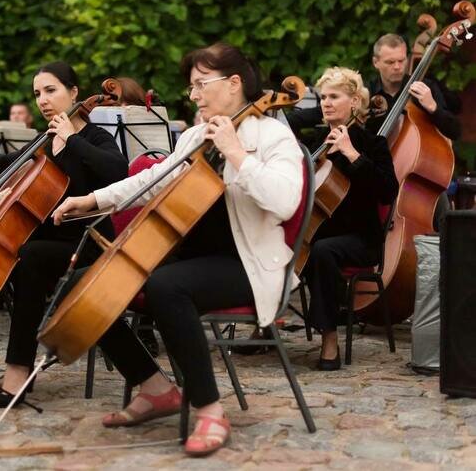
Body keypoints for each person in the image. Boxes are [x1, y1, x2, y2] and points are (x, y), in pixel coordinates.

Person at [52, 43, 304, 457]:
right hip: (192, 258)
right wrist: (93, 200)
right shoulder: (194, 134)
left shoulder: (273, 134)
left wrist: (236, 152)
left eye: (201, 85)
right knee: (86, 284)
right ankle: (154, 389)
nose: (194, 95)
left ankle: (210, 409)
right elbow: (150, 180)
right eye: (192, 87)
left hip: (248, 263)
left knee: (169, 287)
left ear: (234, 83)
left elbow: (285, 202)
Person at [0, 62, 128, 406]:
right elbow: (0, 164)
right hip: (48, 241)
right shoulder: (44, 140)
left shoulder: (95, 137)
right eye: (37, 93)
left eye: (50, 90)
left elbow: (117, 170)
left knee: (28, 259)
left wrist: (72, 139)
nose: (42, 100)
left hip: (86, 243)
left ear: (74, 92)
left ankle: (19, 368)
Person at [298, 67, 398, 370]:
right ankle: (263, 320)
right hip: (318, 232)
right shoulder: (316, 142)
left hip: (360, 239)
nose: (326, 103)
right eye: (322, 97)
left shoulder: (372, 144)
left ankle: (330, 339)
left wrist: (353, 155)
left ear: (354, 101)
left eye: (334, 96)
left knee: (323, 252)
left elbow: (387, 191)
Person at [287, 33, 461, 141]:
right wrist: (278, 119)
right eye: (390, 62)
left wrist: (433, 107)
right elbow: (319, 113)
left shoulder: (424, 88)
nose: (397, 67)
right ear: (376, 62)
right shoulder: (365, 92)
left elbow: (455, 131)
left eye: (401, 60)